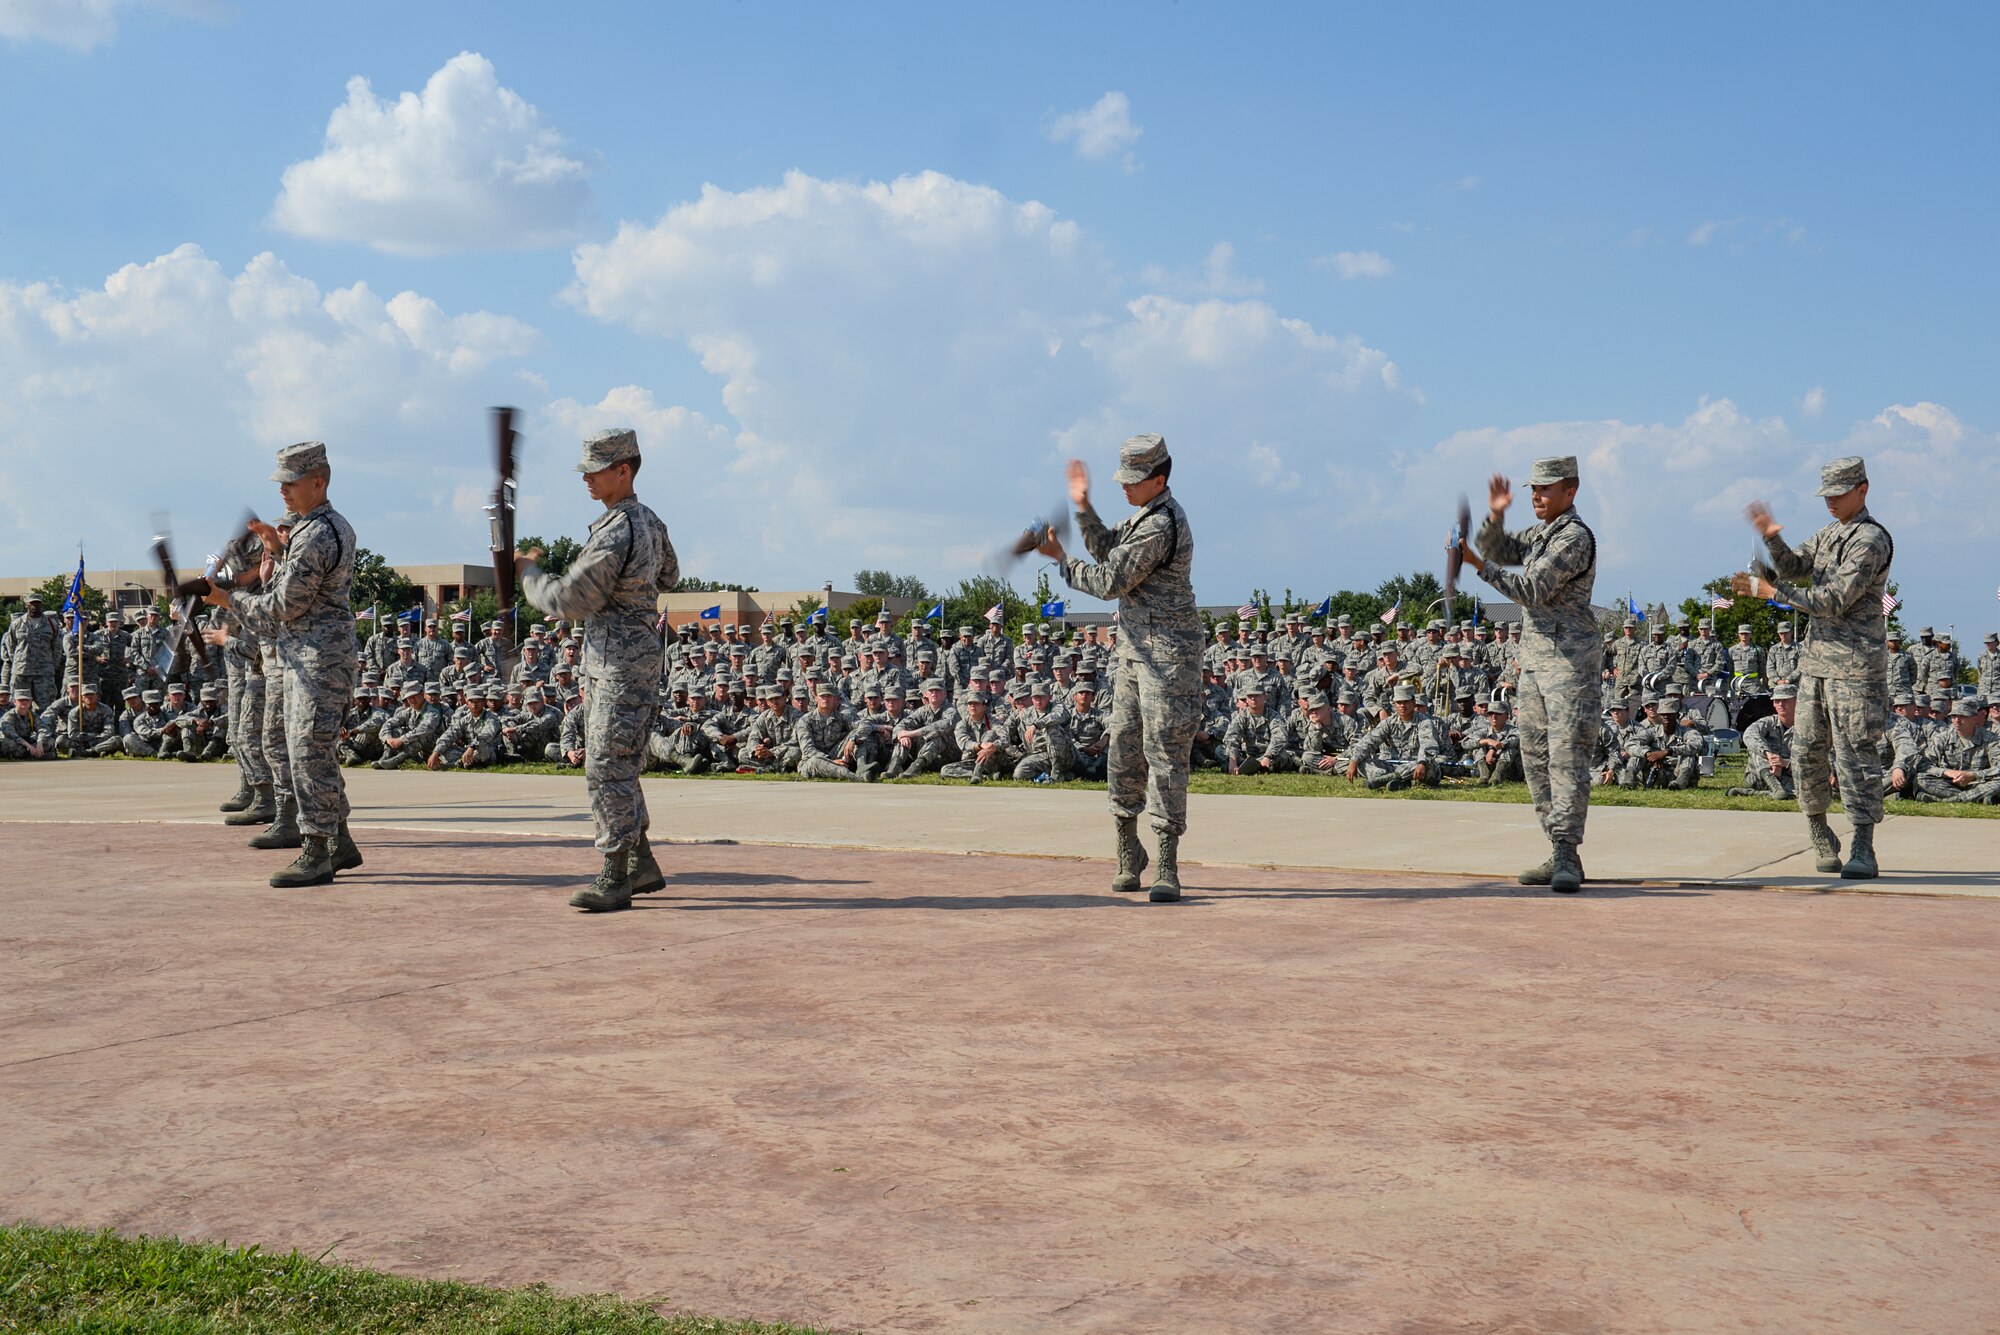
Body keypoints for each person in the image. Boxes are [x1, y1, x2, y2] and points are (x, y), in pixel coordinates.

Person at [518, 428, 681, 912]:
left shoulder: (616, 527)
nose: (586, 479)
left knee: (606, 766)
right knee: (623, 765)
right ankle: (642, 862)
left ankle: (614, 872)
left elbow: (569, 599)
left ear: (624, 470)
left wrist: (529, 573)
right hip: (634, 654)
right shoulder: (649, 521)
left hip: (618, 660)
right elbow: (671, 574)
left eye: (596, 470)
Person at [1036, 434, 1199, 902]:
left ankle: (1166, 859)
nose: (1124, 488)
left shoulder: (1162, 524)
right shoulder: (1141, 518)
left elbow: (1111, 580)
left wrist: (1062, 562)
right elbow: (1109, 549)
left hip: (1170, 655)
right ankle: (1129, 851)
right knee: (1123, 748)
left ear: (1159, 480)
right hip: (1133, 652)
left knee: (1164, 752)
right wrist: (1083, 507)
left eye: (1134, 480)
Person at [205, 443, 362, 888]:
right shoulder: (320, 527)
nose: (283, 492)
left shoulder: (317, 534)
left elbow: (284, 604)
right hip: (308, 657)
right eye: (280, 484)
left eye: (290, 483)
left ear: (319, 481)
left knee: (308, 754)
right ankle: (340, 841)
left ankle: (315, 851)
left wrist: (226, 599)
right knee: (314, 752)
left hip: (318, 659)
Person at [1733, 456, 1894, 878]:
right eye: (1826, 496)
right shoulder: (1828, 533)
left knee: (1856, 754)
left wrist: (1772, 592)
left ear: (1863, 489)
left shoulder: (1870, 539)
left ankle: (1863, 845)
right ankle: (1820, 833)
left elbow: (1834, 598)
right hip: (1817, 664)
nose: (1831, 503)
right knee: (1804, 752)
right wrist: (1771, 538)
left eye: (1838, 495)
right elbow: (1795, 566)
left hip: (1855, 667)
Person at [1451, 456, 1600, 892]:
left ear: (1570, 492)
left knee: (1567, 759)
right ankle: (1556, 848)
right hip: (1535, 662)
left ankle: (1568, 854)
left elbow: (1532, 590)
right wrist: (1496, 514)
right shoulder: (1542, 534)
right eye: (1533, 489)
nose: (1536, 495)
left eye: (1545, 489)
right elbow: (1500, 549)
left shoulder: (1573, 538)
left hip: (1570, 664)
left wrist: (1478, 565)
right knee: (1535, 760)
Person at [1730, 685, 1798, 799]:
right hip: (1760, 775)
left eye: (1785, 700)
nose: (1781, 704)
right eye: (1777, 701)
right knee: (1755, 747)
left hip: (1791, 776)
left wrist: (1785, 763)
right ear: (1773, 704)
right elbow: (1749, 735)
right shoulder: (1769, 722)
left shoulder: (1806, 728)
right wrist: (1770, 756)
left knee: (1806, 791)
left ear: (1797, 702)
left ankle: (1757, 793)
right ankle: (1775, 787)